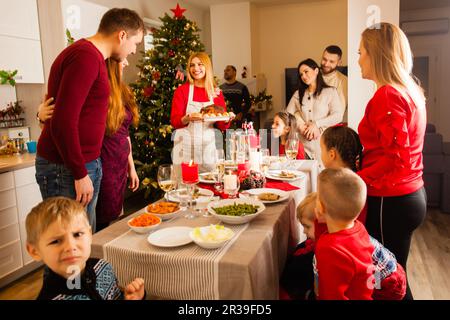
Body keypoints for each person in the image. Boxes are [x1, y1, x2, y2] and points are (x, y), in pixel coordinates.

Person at [35, 8, 144, 232]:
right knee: (69, 251)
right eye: (135, 43)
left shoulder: (93, 57)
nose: (134, 51)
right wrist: (80, 172)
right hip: (66, 168)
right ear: (122, 35)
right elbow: (63, 122)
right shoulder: (85, 57)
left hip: (82, 164)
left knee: (83, 245)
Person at [357, 22, 427, 300]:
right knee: (395, 276)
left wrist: (354, 181)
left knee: (386, 281)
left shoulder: (388, 95)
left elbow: (396, 160)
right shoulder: (409, 91)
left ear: (376, 54)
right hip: (408, 195)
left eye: (361, 51)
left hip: (391, 200)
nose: (358, 58)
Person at [281, 189, 406, 300]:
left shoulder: (334, 250)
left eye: (307, 226)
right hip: (380, 275)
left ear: (325, 223)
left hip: (387, 286)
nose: (304, 231)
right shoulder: (344, 229)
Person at [25, 197, 145, 300]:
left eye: (77, 234)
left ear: (89, 234)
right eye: (56, 241)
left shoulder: (103, 267)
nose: (71, 247)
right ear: (34, 251)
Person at [314, 168, 374, 300]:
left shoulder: (329, 249)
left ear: (321, 207)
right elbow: (374, 271)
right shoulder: (360, 229)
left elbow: (331, 295)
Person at [171, 52, 232, 173]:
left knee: (208, 184)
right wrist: (187, 118)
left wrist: (227, 119)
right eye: (192, 65)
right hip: (185, 149)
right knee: (184, 185)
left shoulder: (215, 93)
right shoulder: (182, 91)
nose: (196, 68)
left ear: (207, 67)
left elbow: (222, 125)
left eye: (200, 64)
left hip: (208, 149)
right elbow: (174, 121)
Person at [286, 59, 343, 164]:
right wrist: (300, 125)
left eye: (306, 71)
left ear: (316, 71)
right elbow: (287, 115)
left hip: (323, 146)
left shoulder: (330, 92)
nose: (303, 76)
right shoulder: (298, 94)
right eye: (301, 74)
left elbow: (338, 115)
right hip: (302, 148)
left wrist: (317, 125)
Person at [321, 45, 348, 119]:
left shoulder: (343, 81)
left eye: (331, 61)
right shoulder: (312, 74)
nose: (326, 64)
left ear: (339, 63)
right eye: (324, 59)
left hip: (329, 127)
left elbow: (339, 112)